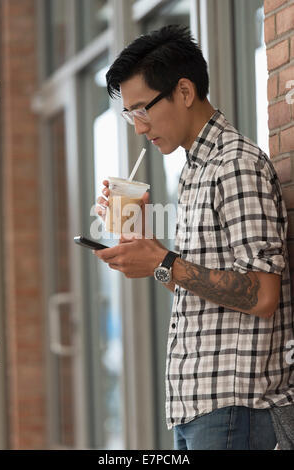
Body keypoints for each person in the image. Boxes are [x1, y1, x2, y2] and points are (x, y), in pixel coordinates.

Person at [93, 25, 294, 450]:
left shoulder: (235, 165)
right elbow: (202, 294)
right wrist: (145, 246)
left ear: (184, 91)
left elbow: (262, 295)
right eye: (130, 115)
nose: (138, 128)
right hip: (200, 406)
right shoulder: (193, 172)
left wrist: (163, 261)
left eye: (141, 110)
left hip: (234, 408)